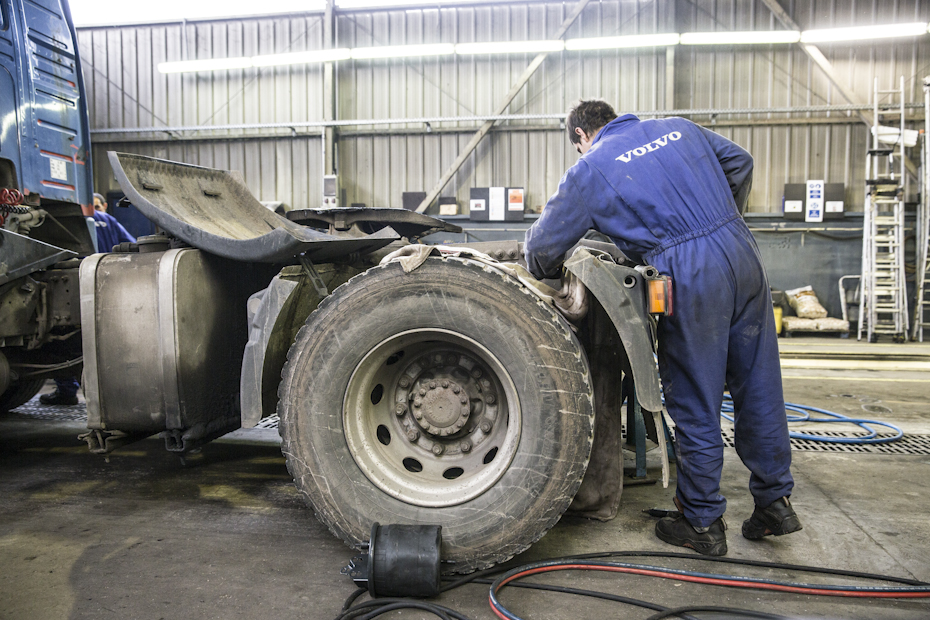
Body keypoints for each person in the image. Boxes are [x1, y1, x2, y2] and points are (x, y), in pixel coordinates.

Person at [524, 100, 801, 556]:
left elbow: (540, 250)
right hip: (743, 253)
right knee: (759, 386)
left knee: (695, 396)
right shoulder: (679, 128)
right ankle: (775, 503)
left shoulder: (590, 168)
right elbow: (740, 163)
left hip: (688, 273)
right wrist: (717, 220)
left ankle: (701, 520)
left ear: (580, 136)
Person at [40, 193, 136, 406]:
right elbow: (132, 246)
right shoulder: (109, 220)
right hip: (109, 287)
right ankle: (112, 394)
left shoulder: (67, 221)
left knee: (65, 339)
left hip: (79, 286)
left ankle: (67, 391)